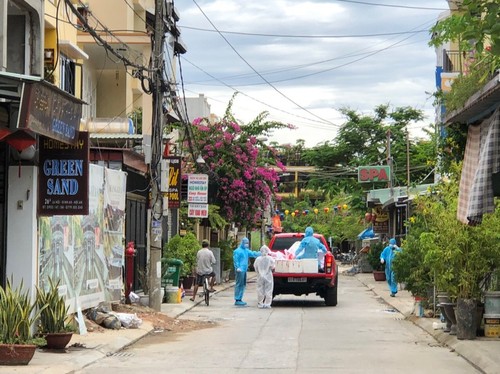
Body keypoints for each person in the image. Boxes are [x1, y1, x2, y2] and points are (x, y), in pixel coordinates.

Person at [233, 237, 261, 306]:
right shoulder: (237, 251)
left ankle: (240, 298)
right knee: (239, 284)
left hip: (244, 269)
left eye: (247, 243)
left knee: (243, 284)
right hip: (239, 270)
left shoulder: (246, 251)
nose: (246, 244)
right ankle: (237, 299)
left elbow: (253, 254)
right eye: (245, 243)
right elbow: (236, 260)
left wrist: (260, 253)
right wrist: (237, 267)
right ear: (242, 243)